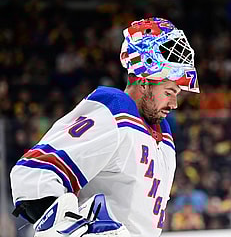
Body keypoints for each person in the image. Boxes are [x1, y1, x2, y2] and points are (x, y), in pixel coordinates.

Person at [10, 17, 199, 237]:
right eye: (169, 92)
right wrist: (72, 229)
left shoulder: (163, 134)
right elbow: (33, 173)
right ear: (145, 81)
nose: (174, 104)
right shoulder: (115, 110)